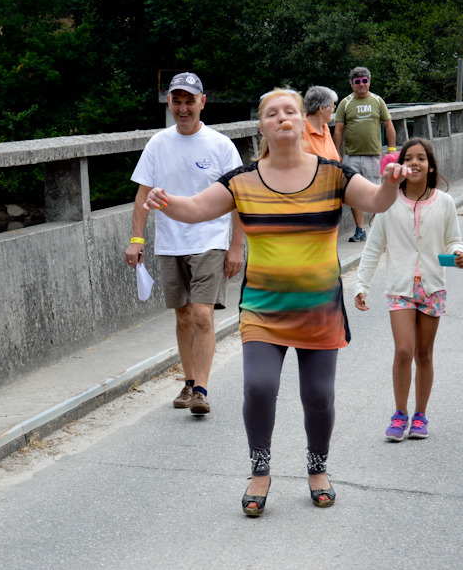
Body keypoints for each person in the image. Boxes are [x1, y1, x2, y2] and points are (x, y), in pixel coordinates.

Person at [143, 88, 411, 516]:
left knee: (319, 396)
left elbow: (377, 201)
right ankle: (260, 469)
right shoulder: (242, 181)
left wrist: (393, 183)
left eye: (290, 111)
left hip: (319, 309)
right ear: (262, 126)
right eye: (272, 113)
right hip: (263, 309)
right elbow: (195, 209)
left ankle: (318, 467)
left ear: (303, 121)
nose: (282, 118)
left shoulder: (334, 174)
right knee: (259, 387)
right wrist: (165, 201)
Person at [125, 72, 245, 416]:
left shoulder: (221, 145)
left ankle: (202, 390)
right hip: (169, 241)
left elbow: (240, 199)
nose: (183, 108)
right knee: (182, 315)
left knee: (202, 314)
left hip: (209, 240)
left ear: (202, 102)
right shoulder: (158, 144)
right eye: (176, 101)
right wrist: (137, 240)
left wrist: (236, 247)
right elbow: (142, 196)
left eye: (189, 101)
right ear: (170, 103)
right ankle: (190, 383)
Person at [353, 138, 463, 441]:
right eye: (409, 158)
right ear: (400, 166)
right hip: (400, 288)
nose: (415, 163)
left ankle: (420, 416)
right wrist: (361, 285)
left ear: (431, 166)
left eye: (421, 158)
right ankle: (399, 413)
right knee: (404, 350)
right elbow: (373, 248)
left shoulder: (445, 202)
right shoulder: (387, 202)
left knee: (424, 353)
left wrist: (458, 253)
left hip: (432, 287)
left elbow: (453, 240)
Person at [333, 67, 397, 242]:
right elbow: (338, 130)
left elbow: (388, 125)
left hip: (373, 155)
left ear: (369, 81)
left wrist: (391, 149)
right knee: (353, 194)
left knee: (377, 192)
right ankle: (360, 229)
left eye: (364, 81)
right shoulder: (345, 103)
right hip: (351, 156)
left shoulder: (377, 101)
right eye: (357, 81)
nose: (361, 84)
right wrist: (336, 154)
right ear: (352, 84)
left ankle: (379, 229)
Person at [301, 86, 341, 160]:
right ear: (322, 108)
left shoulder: (324, 127)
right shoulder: (300, 130)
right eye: (332, 107)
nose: (333, 110)